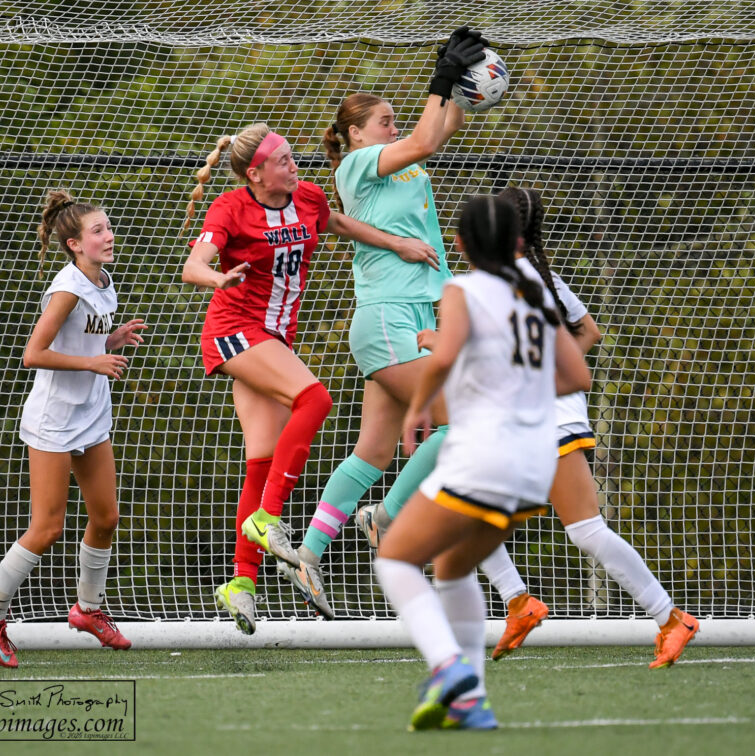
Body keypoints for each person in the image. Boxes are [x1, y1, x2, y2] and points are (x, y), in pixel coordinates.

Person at [181, 122, 438, 634]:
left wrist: (397, 244)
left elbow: (339, 225)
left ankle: (241, 584)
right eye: (281, 160)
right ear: (255, 175)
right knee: (316, 400)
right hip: (236, 330)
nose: (293, 164)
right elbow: (194, 266)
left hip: (274, 339)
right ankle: (268, 519)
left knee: (261, 462)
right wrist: (218, 277)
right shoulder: (232, 207)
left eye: (291, 156)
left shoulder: (309, 199)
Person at [283, 27, 490, 618]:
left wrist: (465, 86)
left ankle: (309, 551)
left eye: (396, 120)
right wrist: (441, 76)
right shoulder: (358, 165)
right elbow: (426, 136)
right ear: (355, 134)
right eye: (385, 121)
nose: (393, 128)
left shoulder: (399, 166)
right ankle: (387, 515)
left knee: (372, 453)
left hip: (407, 315)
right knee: (462, 422)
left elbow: (442, 129)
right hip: (388, 315)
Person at [375, 195, 591, 731]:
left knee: (395, 556)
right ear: (514, 240)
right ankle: (471, 701)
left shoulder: (463, 289)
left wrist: (419, 407)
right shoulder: (535, 294)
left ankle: (448, 668)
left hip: (483, 456)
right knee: (450, 567)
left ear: (464, 245)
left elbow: (444, 358)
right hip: (533, 466)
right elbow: (576, 377)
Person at [504, 187, 699, 667]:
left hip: (548, 418)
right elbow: (587, 331)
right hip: (545, 416)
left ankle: (670, 617)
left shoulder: (511, 278)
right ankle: (517, 602)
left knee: (585, 530)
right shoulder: (537, 273)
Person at [0, 189, 147, 668]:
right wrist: (94, 361)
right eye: (98, 231)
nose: (109, 235)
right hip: (53, 421)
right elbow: (34, 354)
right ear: (74, 244)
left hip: (91, 414)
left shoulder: (102, 279)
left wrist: (112, 339)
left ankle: (88, 610)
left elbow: (84, 337)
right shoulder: (67, 287)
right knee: (47, 527)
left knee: (106, 518)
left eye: (108, 227)